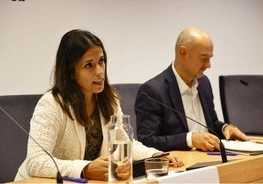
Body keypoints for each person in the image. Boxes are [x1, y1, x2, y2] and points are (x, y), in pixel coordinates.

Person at [15, 29, 183, 181]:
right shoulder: (51, 104)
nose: (100, 71)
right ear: (71, 72)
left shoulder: (109, 101)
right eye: (89, 65)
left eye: (101, 61)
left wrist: (155, 155)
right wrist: (85, 169)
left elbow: (126, 145)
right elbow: (36, 161)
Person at [135, 27, 249, 152]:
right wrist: (190, 139)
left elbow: (210, 124)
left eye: (210, 58)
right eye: (204, 58)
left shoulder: (204, 83)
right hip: (182, 165)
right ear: (183, 52)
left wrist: (225, 128)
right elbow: (147, 141)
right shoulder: (152, 91)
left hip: (211, 158)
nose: (208, 65)